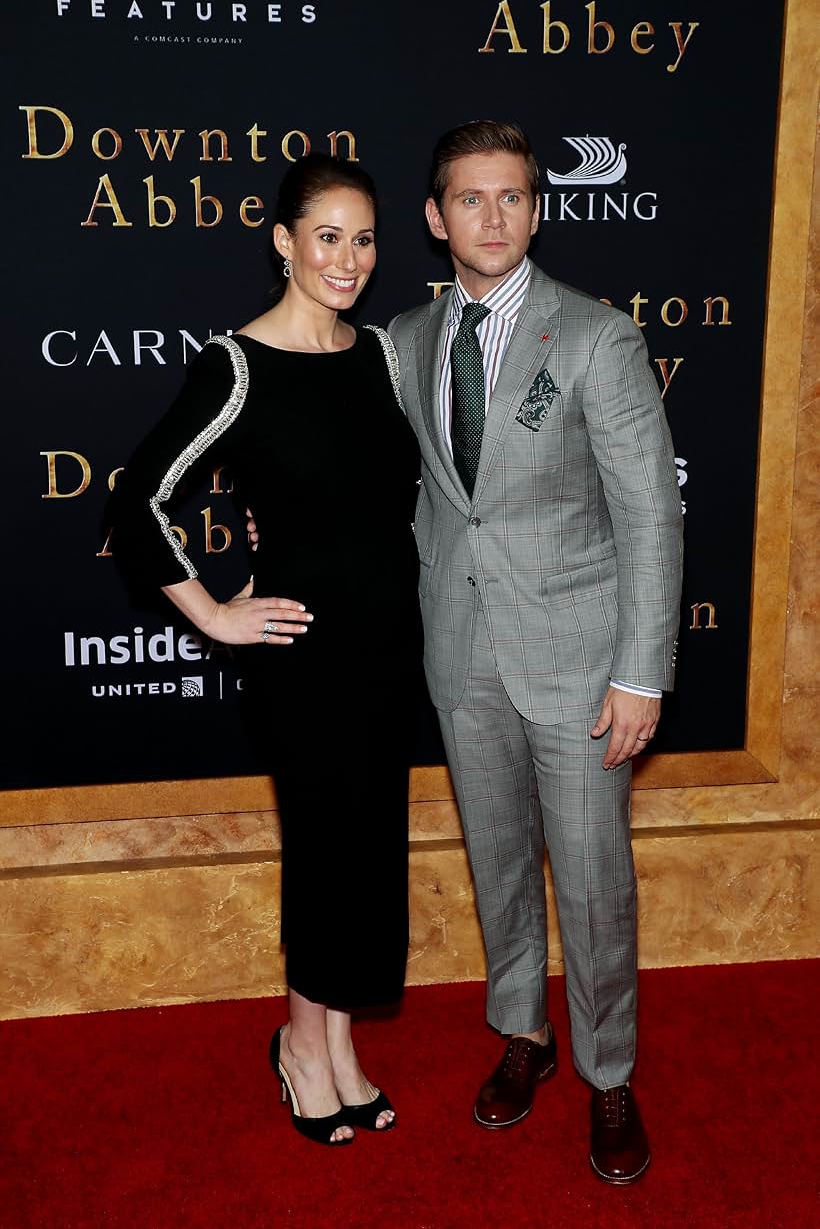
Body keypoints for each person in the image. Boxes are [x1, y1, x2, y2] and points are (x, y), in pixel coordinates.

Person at [387, 120, 683, 1183]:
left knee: (594, 879)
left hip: (579, 659)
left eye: (512, 197)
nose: (493, 217)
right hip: (461, 651)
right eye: (470, 199)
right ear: (435, 218)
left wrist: (640, 669)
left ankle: (610, 1076)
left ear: (538, 207)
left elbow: (650, 514)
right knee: (499, 862)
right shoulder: (405, 343)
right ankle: (526, 1033)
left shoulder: (595, 337)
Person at [112, 153, 420, 1146]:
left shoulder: (378, 353)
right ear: (284, 243)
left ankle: (335, 1043)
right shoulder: (236, 365)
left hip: (386, 649)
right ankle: (300, 1045)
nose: (348, 257)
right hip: (301, 659)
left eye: (364, 237)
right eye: (326, 235)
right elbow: (139, 497)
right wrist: (211, 614)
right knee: (327, 851)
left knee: (367, 852)